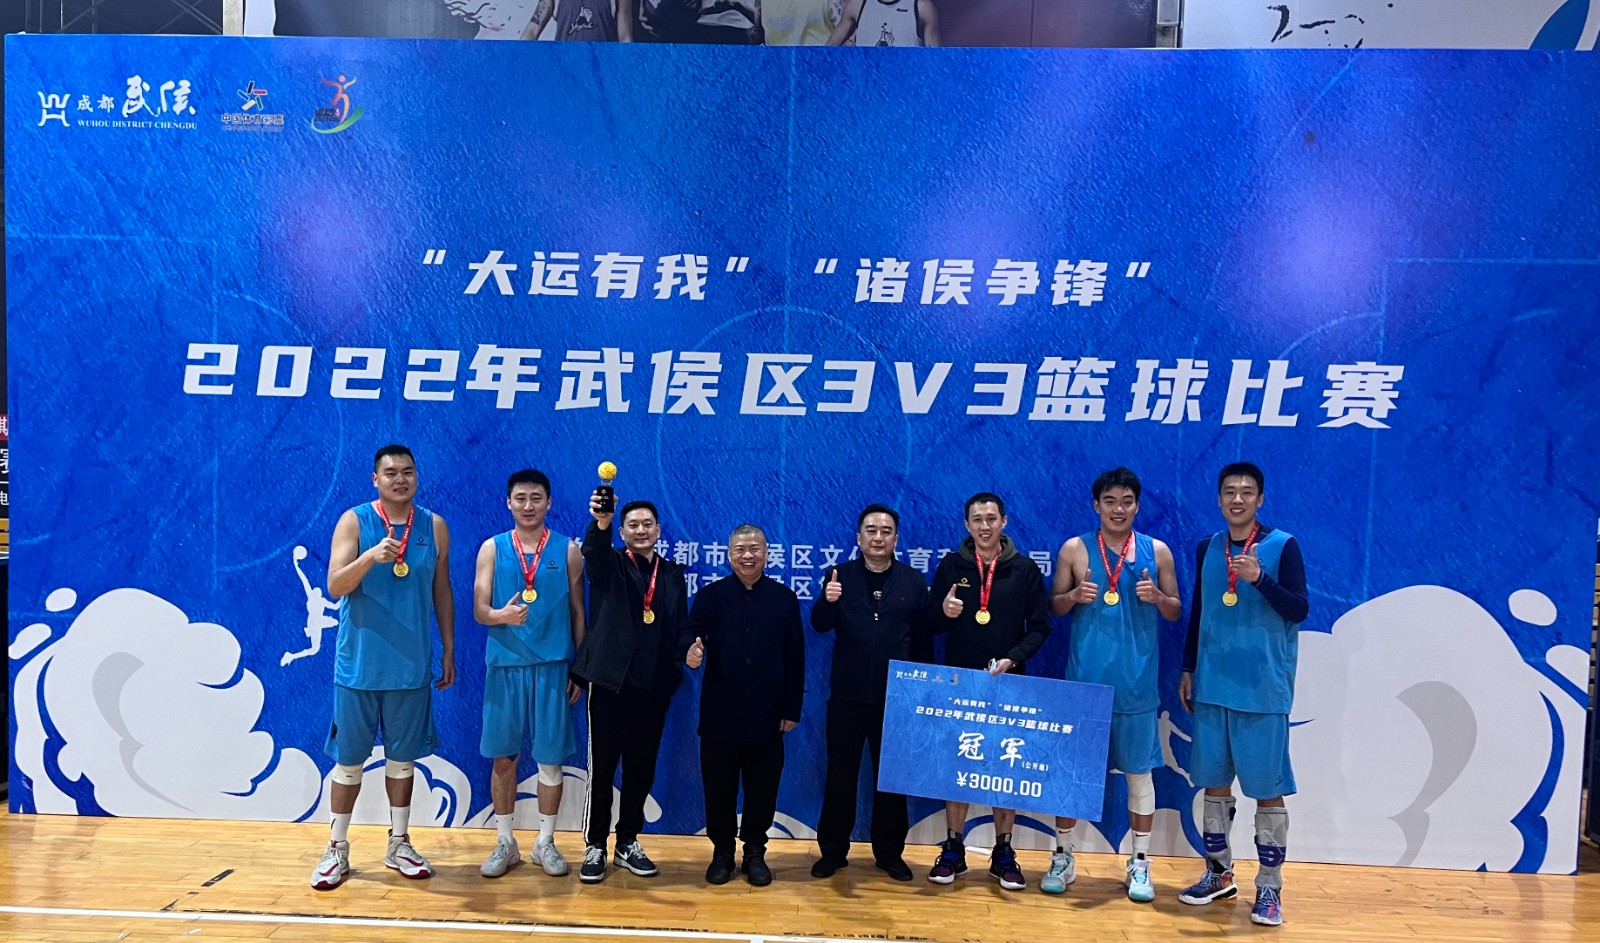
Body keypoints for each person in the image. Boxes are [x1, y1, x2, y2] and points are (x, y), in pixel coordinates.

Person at [310, 444, 456, 890]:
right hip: (359, 666)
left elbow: (442, 590)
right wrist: (369, 556)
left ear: (417, 477)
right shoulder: (354, 521)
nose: (400, 479)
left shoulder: (434, 526)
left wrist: (449, 648)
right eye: (391, 473)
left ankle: (399, 843)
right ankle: (336, 847)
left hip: (410, 665)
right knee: (349, 763)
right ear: (375, 479)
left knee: (402, 761)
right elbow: (335, 585)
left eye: (408, 472)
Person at [1178, 462, 1308, 927]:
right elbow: (1199, 611)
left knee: (1267, 792)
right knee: (1214, 785)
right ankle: (1218, 873)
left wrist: (1259, 579)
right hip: (1213, 686)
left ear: (1260, 499)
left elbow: (1299, 609)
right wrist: (1188, 668)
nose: (1238, 499)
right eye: (1230, 491)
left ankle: (1270, 887)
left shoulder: (1282, 546)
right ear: (1219, 499)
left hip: (1262, 689)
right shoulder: (1207, 547)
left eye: (1247, 492)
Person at [1046, 467, 1182, 902]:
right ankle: (1063, 856)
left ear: (1137, 505)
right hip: (1084, 686)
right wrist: (1073, 597)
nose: (1118, 509)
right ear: (1096, 505)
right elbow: (1055, 606)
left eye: (1126, 501)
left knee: (1139, 777)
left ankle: (1140, 863)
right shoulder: (1074, 549)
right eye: (1110, 501)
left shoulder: (1157, 551)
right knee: (1073, 774)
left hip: (1136, 686)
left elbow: (1175, 610)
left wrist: (1158, 599)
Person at [925, 492, 1050, 891]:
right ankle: (953, 848)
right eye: (977, 519)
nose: (984, 526)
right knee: (958, 764)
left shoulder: (1024, 570)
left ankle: (1003, 851)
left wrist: (1013, 657)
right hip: (961, 684)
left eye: (991, 518)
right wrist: (942, 612)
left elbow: (1041, 627)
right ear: (967, 525)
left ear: (1004, 522)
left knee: (1004, 767)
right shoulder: (952, 566)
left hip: (1009, 683)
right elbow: (929, 623)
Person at [573, 491, 690, 883]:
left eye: (647, 524)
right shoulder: (610, 564)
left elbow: (679, 625)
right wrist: (601, 524)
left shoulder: (671, 574)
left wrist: (689, 648)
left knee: (641, 769)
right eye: (633, 525)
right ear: (622, 532)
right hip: (610, 683)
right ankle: (595, 845)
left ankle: (627, 842)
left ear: (659, 530)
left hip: (653, 686)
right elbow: (593, 552)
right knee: (603, 769)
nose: (641, 530)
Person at [474, 469, 586, 879]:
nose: (528, 505)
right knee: (504, 758)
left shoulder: (568, 550)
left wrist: (580, 667)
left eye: (536, 498)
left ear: (549, 502)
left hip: (553, 668)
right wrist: (500, 616)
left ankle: (546, 842)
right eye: (520, 498)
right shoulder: (492, 548)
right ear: (508, 502)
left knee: (550, 760)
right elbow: (479, 610)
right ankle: (506, 842)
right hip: (505, 666)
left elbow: (578, 612)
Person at [809, 504, 927, 882]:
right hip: (847, 696)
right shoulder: (839, 575)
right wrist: (827, 600)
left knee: (890, 781)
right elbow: (819, 625)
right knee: (840, 778)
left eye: (886, 531)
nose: (878, 537)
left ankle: (889, 854)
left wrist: (918, 693)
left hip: (896, 699)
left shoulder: (913, 581)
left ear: (896, 538)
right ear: (859, 537)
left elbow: (922, 640)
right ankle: (833, 853)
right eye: (871, 531)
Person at [686, 523, 804, 887]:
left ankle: (755, 851)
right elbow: (688, 634)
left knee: (762, 787)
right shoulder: (710, 596)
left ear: (767, 553)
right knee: (718, 788)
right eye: (740, 549)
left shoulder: (784, 598)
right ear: (729, 555)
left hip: (769, 714)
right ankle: (722, 851)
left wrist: (791, 709)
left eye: (755, 549)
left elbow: (796, 656)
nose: (748, 555)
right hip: (720, 712)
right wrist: (688, 650)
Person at [827, 0, 939, 46]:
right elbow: (824, 54)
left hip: (905, 85)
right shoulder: (857, 6)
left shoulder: (922, 8)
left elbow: (937, 64)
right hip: (868, 85)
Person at [520, 0, 634, 42]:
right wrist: (517, 55)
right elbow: (533, 30)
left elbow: (625, 39)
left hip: (602, 70)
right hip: (566, 68)